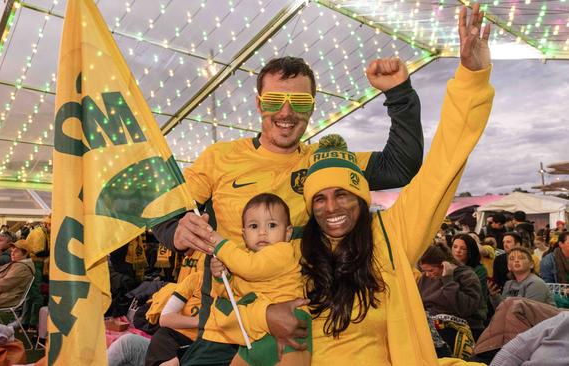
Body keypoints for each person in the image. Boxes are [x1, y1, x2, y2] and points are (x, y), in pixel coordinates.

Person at [249, 5, 493, 365]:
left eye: (343, 194)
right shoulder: (296, 255)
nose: (331, 207)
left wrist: (471, 77)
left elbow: (445, 162)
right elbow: (249, 304)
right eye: (320, 198)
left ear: (362, 198)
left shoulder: (391, 236)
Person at [158, 41, 425, 366]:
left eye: (299, 101)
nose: (286, 112)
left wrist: (399, 94)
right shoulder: (220, 158)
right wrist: (174, 229)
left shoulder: (325, 163)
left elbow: (399, 165)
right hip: (230, 326)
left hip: (304, 327)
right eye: (274, 100)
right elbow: (165, 204)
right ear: (259, 104)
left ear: (312, 107)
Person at [207, 193, 309, 366]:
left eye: (272, 225)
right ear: (244, 235)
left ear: (287, 233)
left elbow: (250, 268)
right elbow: (231, 295)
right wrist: (221, 277)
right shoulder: (242, 261)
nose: (262, 232)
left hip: (290, 322)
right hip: (256, 332)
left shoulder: (283, 252)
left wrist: (221, 244)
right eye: (254, 226)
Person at [418, 242, 485, 342]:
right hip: (431, 324)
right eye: (425, 271)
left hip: (461, 329)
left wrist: (448, 280)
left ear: (443, 265)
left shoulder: (466, 276)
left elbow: (465, 309)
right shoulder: (425, 278)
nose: (427, 275)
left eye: (431, 270)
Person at [488, 247, 555, 307]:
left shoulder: (536, 283)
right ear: (509, 267)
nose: (516, 260)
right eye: (512, 259)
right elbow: (502, 309)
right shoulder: (508, 284)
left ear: (531, 264)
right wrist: (495, 296)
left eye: (521, 258)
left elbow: (529, 313)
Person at [451, 233, 489, 321]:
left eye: (463, 248)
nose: (458, 251)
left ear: (470, 250)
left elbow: (469, 295)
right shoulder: (446, 266)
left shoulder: (479, 270)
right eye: (455, 247)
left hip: (473, 312)